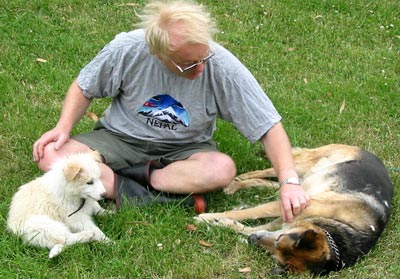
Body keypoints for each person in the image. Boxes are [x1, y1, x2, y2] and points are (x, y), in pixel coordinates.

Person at [32, 0, 309, 221]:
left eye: (204, 58)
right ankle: (157, 194)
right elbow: (84, 87)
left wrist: (289, 181)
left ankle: (124, 184)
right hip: (119, 139)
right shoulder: (127, 49)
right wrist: (63, 127)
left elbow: (268, 125)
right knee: (51, 155)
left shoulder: (221, 65)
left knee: (222, 168)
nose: (201, 68)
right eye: (190, 64)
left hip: (184, 150)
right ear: (158, 53)